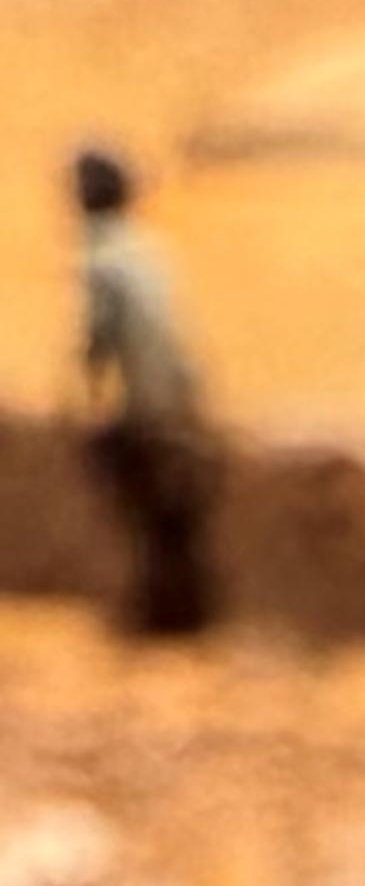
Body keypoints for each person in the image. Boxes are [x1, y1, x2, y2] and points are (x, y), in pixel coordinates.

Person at [70, 147, 219, 638]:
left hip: (146, 406)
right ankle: (184, 609)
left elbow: (101, 337)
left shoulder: (99, 256)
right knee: (172, 511)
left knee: (135, 500)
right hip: (183, 396)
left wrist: (89, 395)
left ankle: (155, 612)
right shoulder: (149, 247)